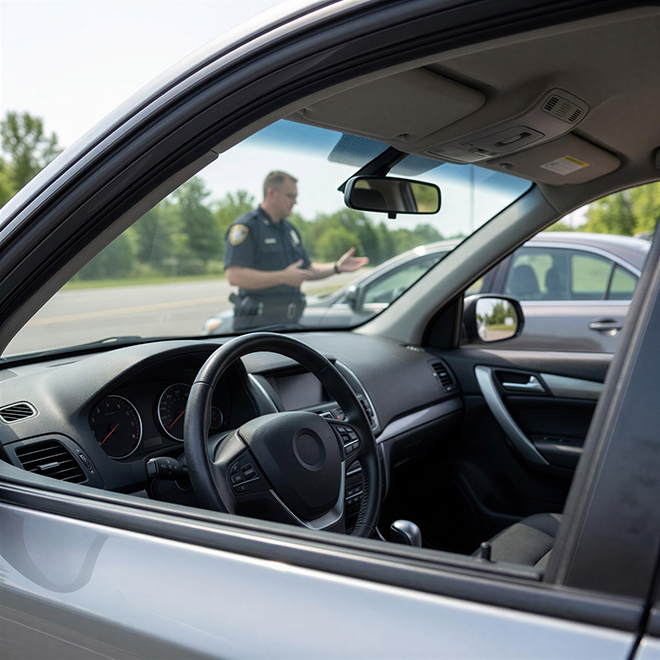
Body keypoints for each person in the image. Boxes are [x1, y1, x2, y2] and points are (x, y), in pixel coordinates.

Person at [225, 171, 369, 330]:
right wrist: (282, 277)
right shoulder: (247, 227)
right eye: (290, 196)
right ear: (271, 193)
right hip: (256, 326)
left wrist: (337, 267)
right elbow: (234, 276)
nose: (295, 202)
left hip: (290, 323)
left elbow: (306, 269)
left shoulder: (289, 230)